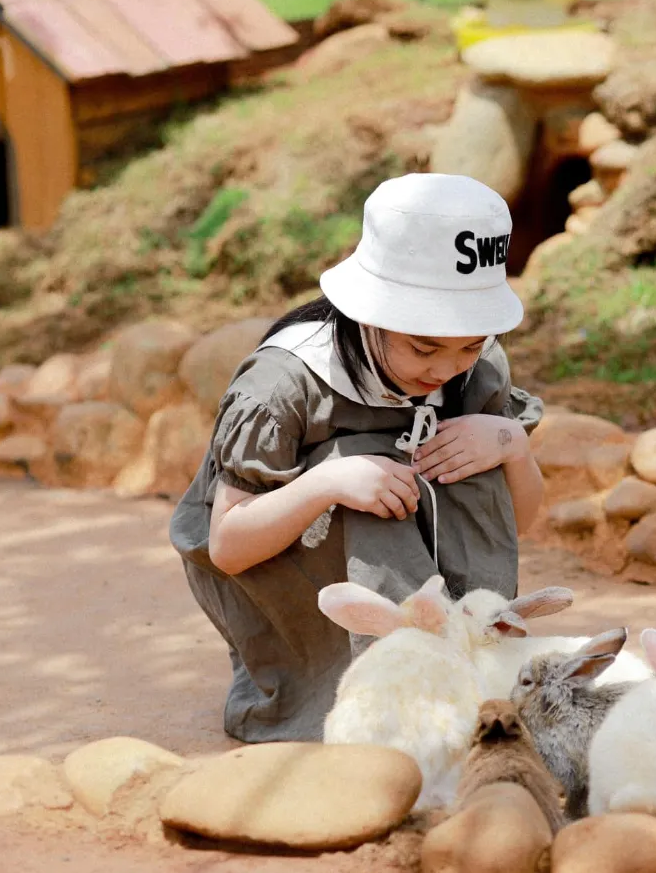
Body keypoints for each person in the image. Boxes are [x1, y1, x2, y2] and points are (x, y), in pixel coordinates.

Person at [169, 172, 546, 744]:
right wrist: (327, 482)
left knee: (475, 444)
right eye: (423, 347)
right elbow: (227, 546)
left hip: (405, 544)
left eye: (469, 344)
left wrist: (508, 443)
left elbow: (516, 521)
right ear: (370, 314)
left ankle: (471, 664)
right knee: (365, 469)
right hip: (283, 558)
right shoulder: (283, 382)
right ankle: (383, 692)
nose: (445, 369)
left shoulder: (475, 367)